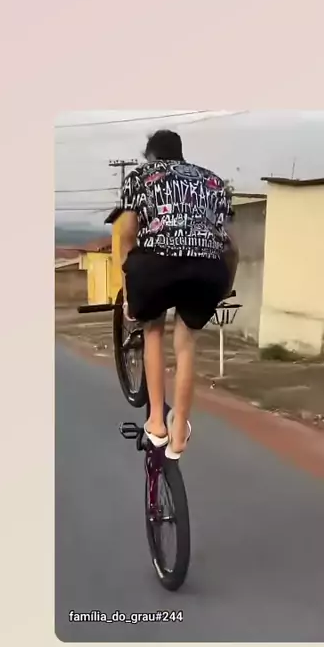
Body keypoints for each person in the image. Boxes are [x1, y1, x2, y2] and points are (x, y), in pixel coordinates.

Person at [119, 129, 239, 458]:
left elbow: (128, 234)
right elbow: (232, 247)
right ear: (180, 153)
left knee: (153, 331)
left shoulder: (139, 176)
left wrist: (129, 288)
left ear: (151, 156)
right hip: (207, 269)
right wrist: (223, 286)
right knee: (186, 344)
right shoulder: (214, 182)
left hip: (156, 265)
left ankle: (157, 423)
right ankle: (180, 432)